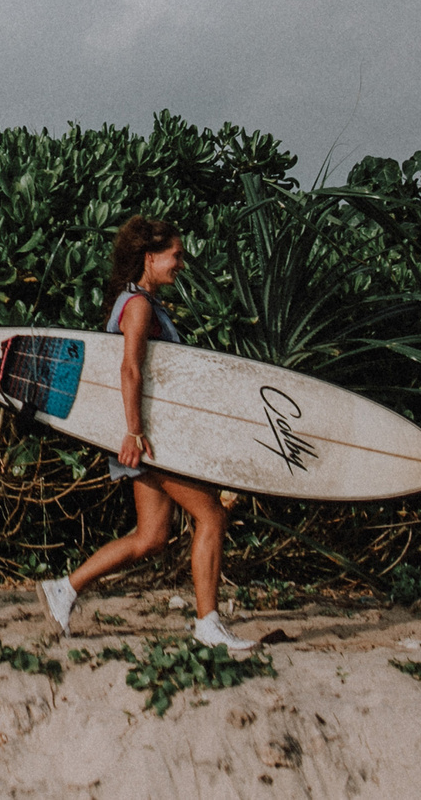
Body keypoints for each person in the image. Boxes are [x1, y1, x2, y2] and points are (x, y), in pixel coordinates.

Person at [38, 215, 256, 653]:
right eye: (174, 255)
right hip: (144, 439)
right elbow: (130, 368)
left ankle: (64, 589)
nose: (180, 263)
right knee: (211, 515)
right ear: (149, 257)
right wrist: (134, 434)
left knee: (152, 536)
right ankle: (208, 624)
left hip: (144, 435)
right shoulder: (137, 306)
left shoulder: (141, 302)